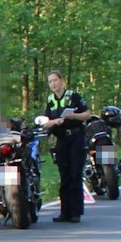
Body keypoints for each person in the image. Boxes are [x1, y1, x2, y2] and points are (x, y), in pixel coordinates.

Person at [41, 70, 92, 222]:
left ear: (61, 80)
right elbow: (45, 122)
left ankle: (76, 212)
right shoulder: (50, 100)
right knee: (64, 176)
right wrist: (55, 122)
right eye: (50, 82)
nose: (53, 84)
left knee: (75, 174)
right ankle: (65, 212)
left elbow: (87, 114)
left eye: (55, 80)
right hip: (61, 139)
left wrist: (74, 116)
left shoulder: (73, 96)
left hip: (76, 137)